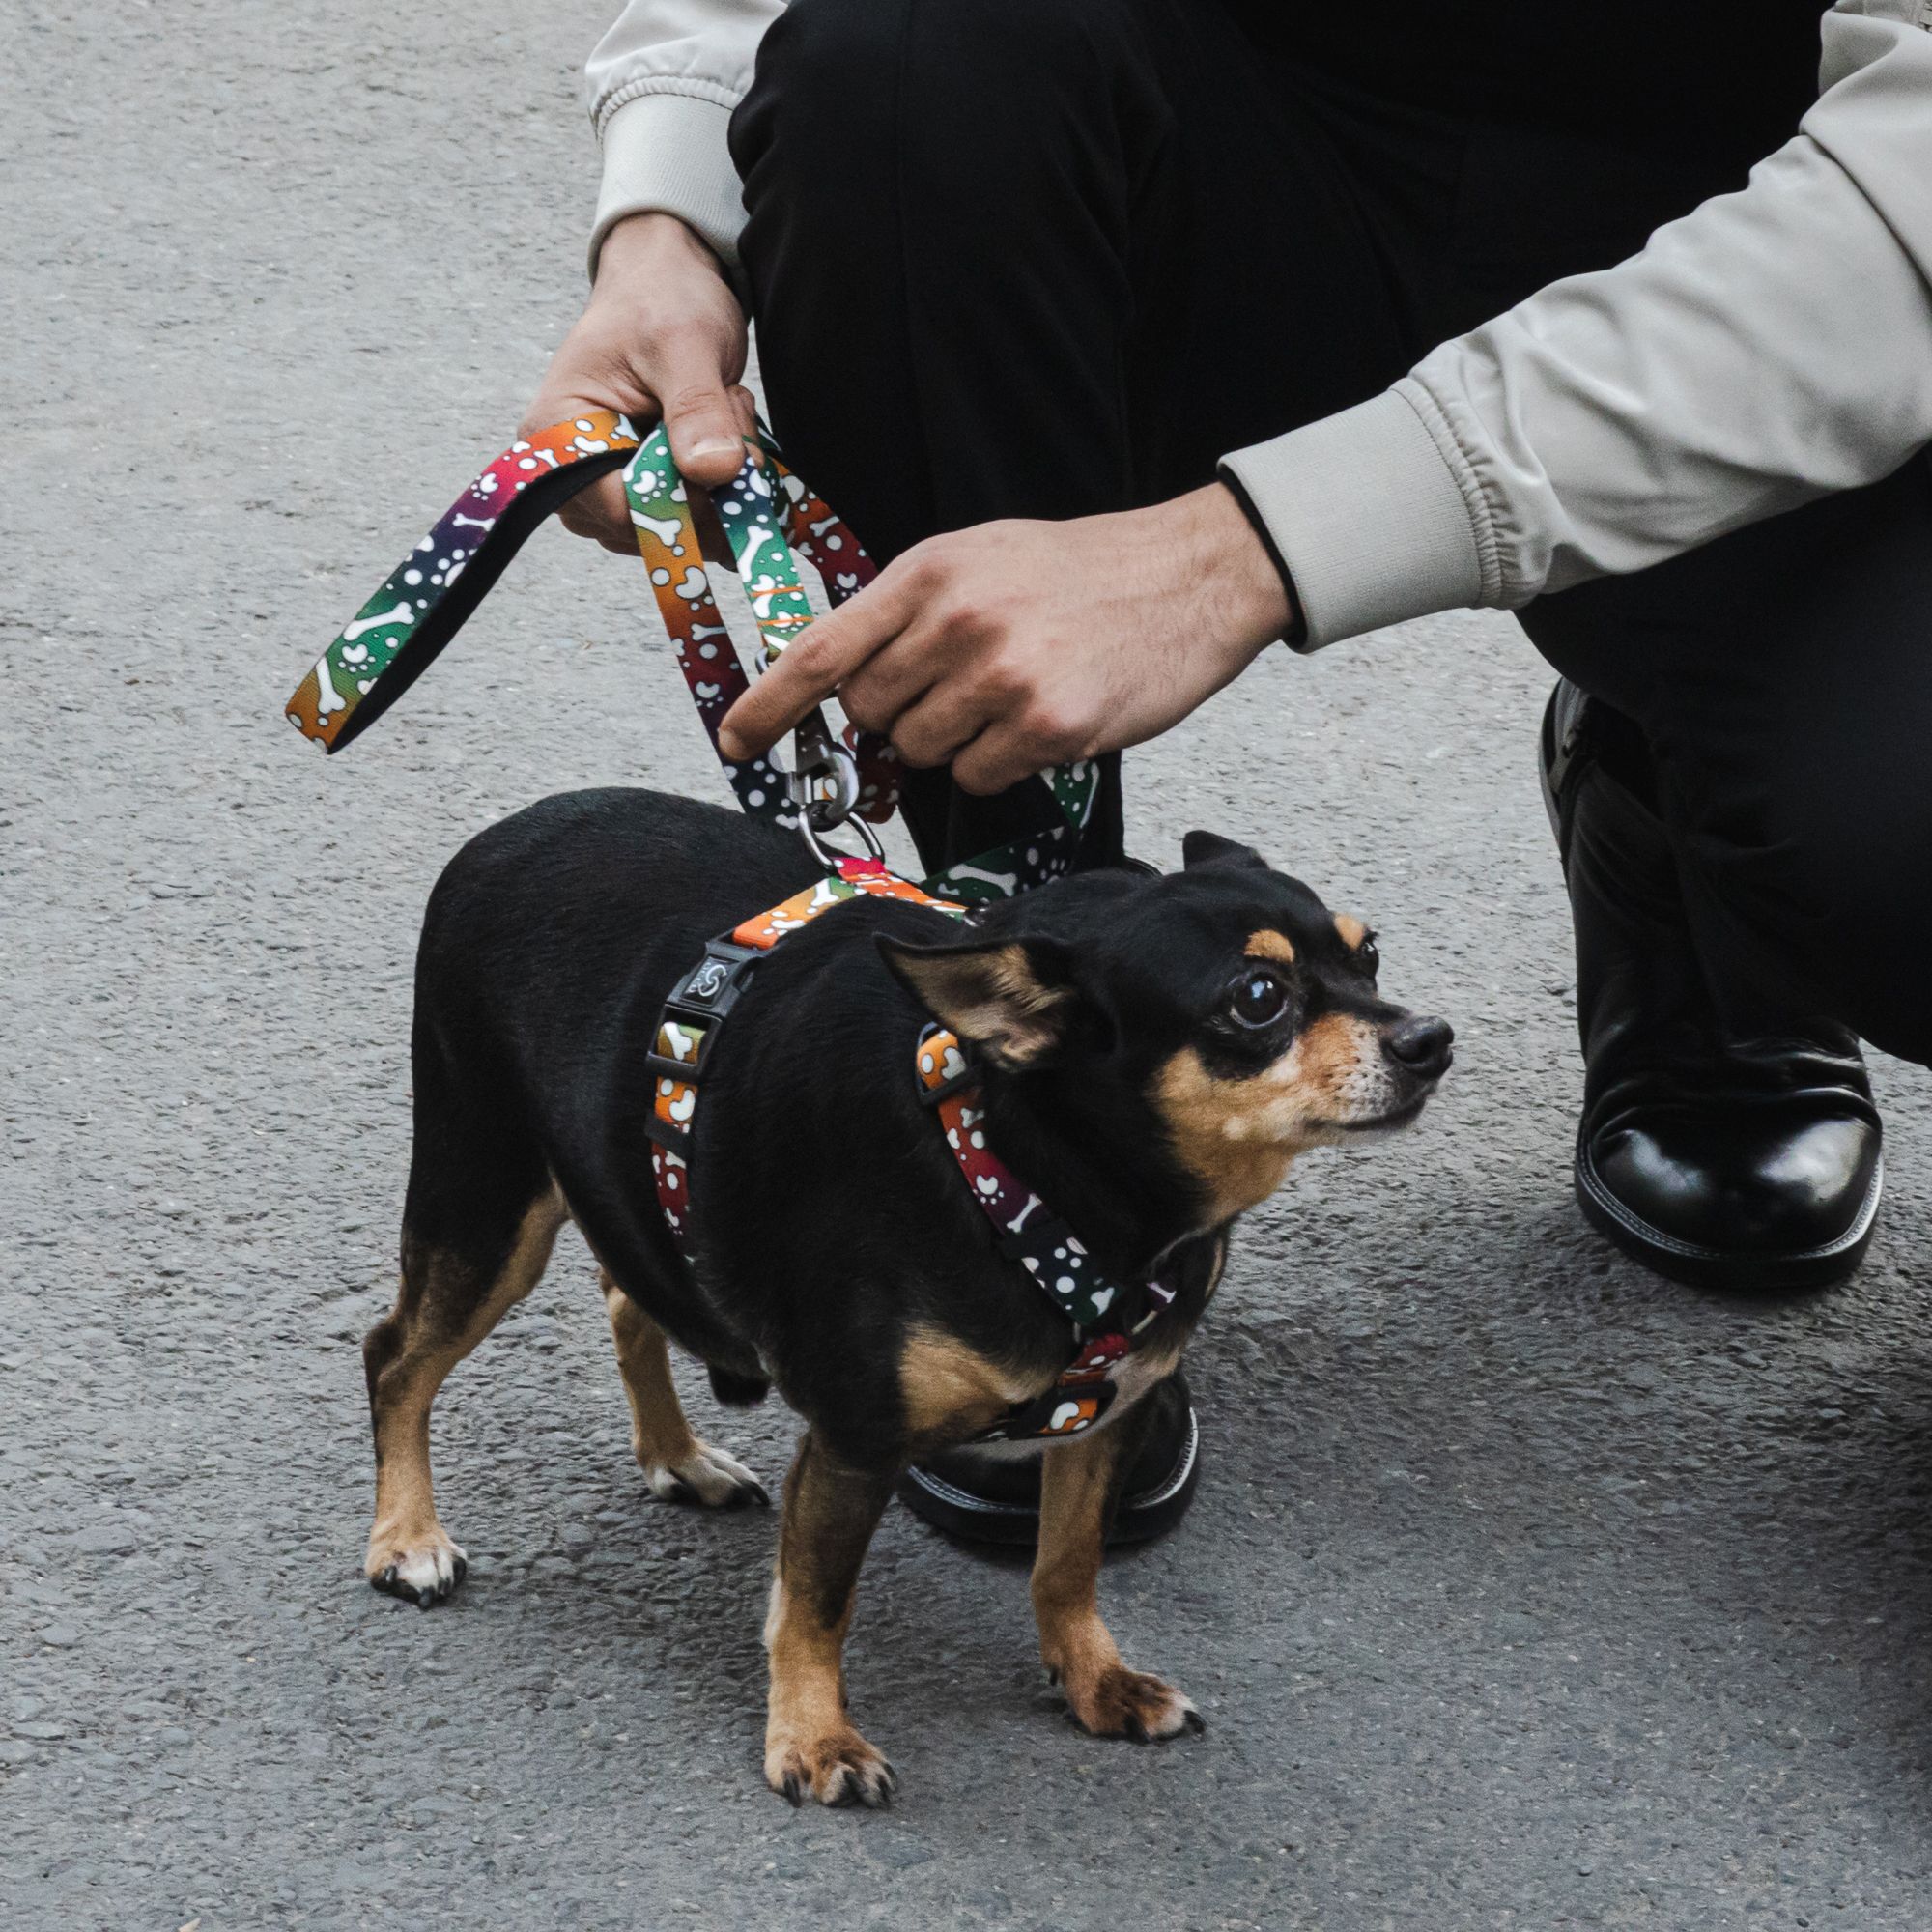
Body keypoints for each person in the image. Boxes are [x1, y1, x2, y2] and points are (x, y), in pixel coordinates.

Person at [523, 0, 1932, 1542]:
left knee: (1894, 838)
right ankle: (1031, 1123)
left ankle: (1679, 813)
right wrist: (671, 202)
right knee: (911, 68)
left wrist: (1248, 549)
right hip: (1246, 112)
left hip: (1808, 207)